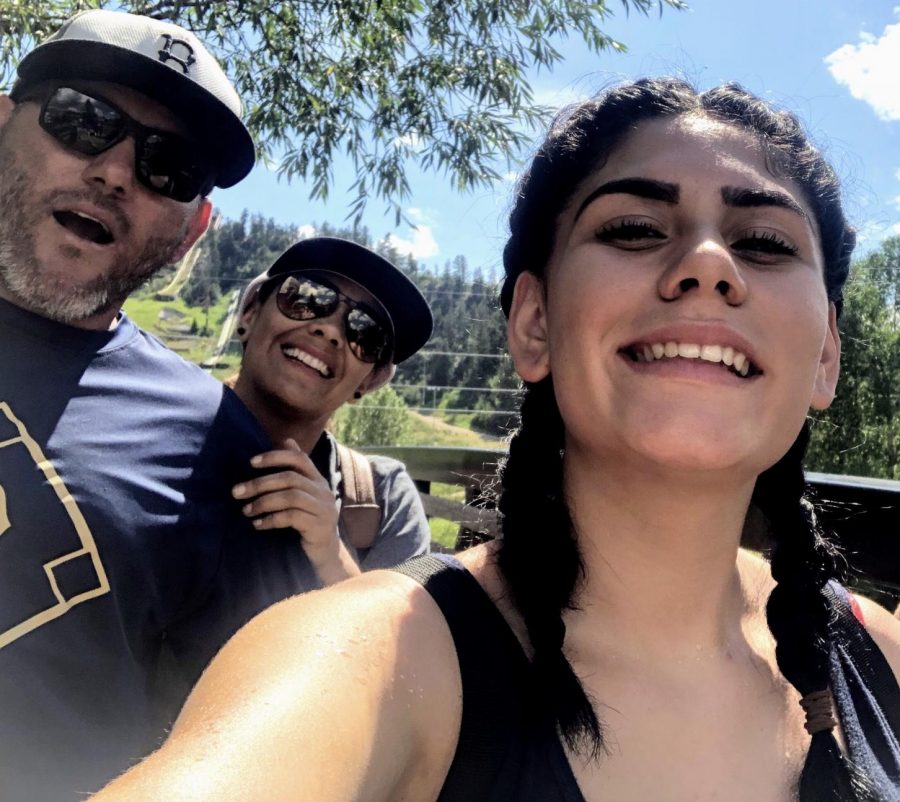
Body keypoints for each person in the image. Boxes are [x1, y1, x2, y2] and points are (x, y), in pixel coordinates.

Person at [91, 78, 900, 802]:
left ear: (827, 352)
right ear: (533, 322)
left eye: (766, 243)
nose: (710, 264)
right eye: (633, 227)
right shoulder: (375, 658)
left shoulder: (883, 655)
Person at [0, 10, 329, 800]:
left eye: (169, 167)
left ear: (193, 230)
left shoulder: (222, 450)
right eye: (83, 121)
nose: (115, 171)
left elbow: (267, 741)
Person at [229, 237, 433, 587]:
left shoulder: (384, 500)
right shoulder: (152, 427)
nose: (331, 331)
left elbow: (396, 640)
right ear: (249, 312)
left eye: (365, 332)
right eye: (306, 297)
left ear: (369, 382)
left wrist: (331, 554)